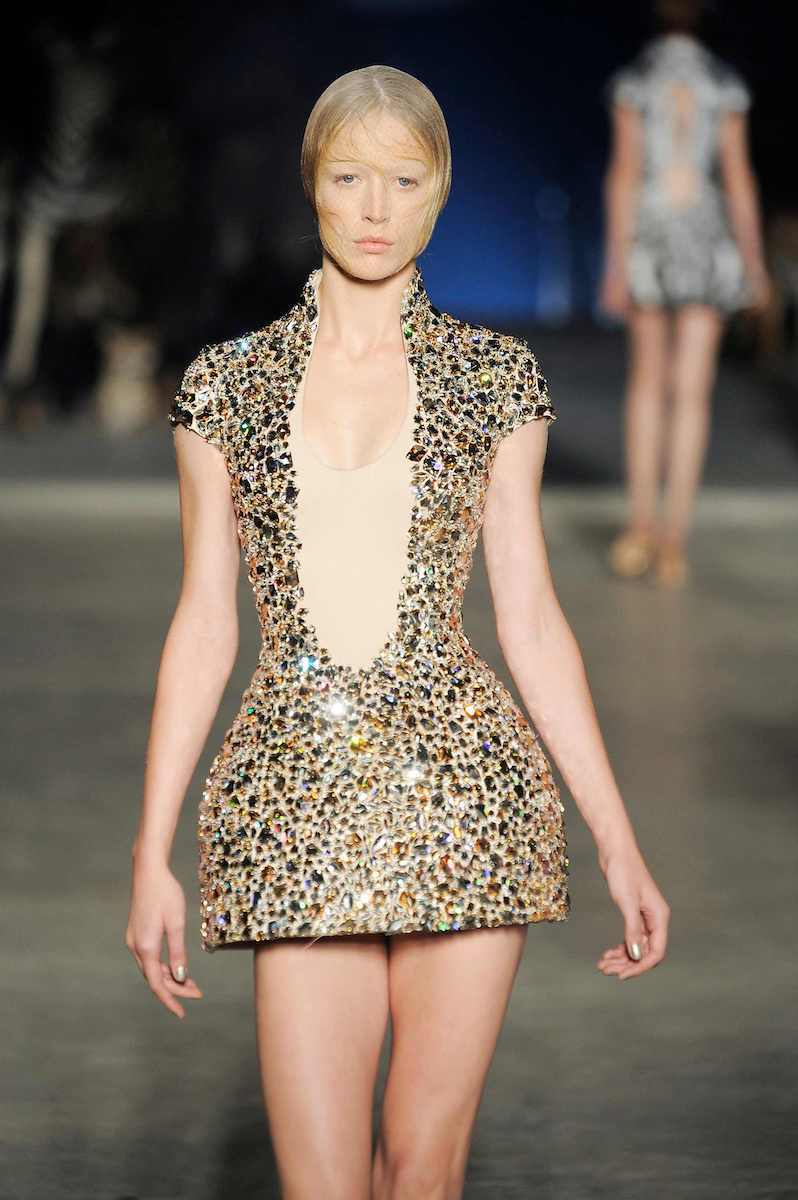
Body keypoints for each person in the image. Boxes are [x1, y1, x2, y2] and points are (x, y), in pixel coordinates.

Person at [126, 65, 670, 1200]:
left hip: (469, 797)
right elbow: (204, 624)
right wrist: (151, 852)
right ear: (312, 186)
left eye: (404, 180)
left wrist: (618, 839)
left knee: (422, 1171)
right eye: (349, 178)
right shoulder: (224, 388)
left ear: (441, 192)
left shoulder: (494, 379)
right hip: (294, 797)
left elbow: (531, 620)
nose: (375, 209)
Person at [600, 0, 770, 587]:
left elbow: (624, 174)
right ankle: (673, 539)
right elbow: (738, 176)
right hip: (706, 234)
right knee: (692, 392)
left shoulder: (636, 80)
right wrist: (754, 263)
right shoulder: (723, 83)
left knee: (648, 384)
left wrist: (614, 264)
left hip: (650, 235)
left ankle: (640, 528)